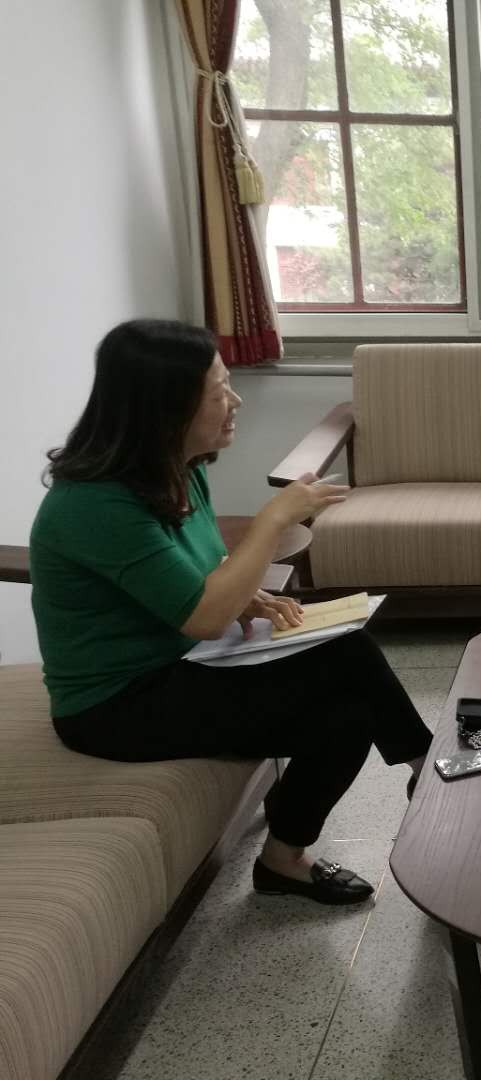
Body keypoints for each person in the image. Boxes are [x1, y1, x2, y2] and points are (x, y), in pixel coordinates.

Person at [30, 319, 434, 906]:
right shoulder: (95, 505)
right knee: (347, 676)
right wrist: (273, 520)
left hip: (183, 661)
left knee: (348, 694)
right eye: (219, 391)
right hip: (115, 704)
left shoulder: (178, 468)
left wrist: (245, 595)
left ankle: (288, 855)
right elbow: (203, 617)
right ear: (165, 407)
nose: (236, 401)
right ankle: (427, 774)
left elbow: (191, 571)